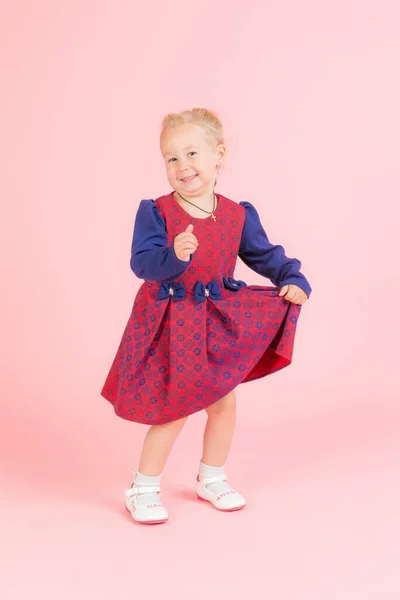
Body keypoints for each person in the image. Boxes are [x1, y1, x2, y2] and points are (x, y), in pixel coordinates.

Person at [101, 107, 312, 525]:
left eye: (192, 154)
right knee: (174, 407)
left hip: (216, 321)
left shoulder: (237, 214)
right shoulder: (156, 211)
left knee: (223, 403)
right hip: (170, 321)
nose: (183, 166)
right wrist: (172, 255)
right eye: (171, 158)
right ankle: (142, 487)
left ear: (218, 155)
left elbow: (263, 255)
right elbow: (142, 263)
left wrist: (292, 276)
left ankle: (211, 477)